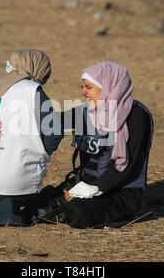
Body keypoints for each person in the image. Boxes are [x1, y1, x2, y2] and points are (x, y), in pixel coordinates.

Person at [30, 62, 154, 229]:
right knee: (38, 199)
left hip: (119, 193)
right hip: (82, 185)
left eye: (88, 87)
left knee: (78, 212)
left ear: (109, 86)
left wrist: (93, 189)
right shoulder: (88, 111)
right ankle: (54, 208)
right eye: (82, 86)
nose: (83, 92)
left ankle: (58, 210)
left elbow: (126, 163)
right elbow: (53, 121)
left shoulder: (136, 116)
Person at [0, 50, 63, 226]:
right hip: (14, 180)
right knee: (12, 171)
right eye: (46, 73)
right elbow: (55, 130)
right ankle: (10, 213)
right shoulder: (32, 91)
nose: (46, 78)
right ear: (37, 69)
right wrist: (41, 154)